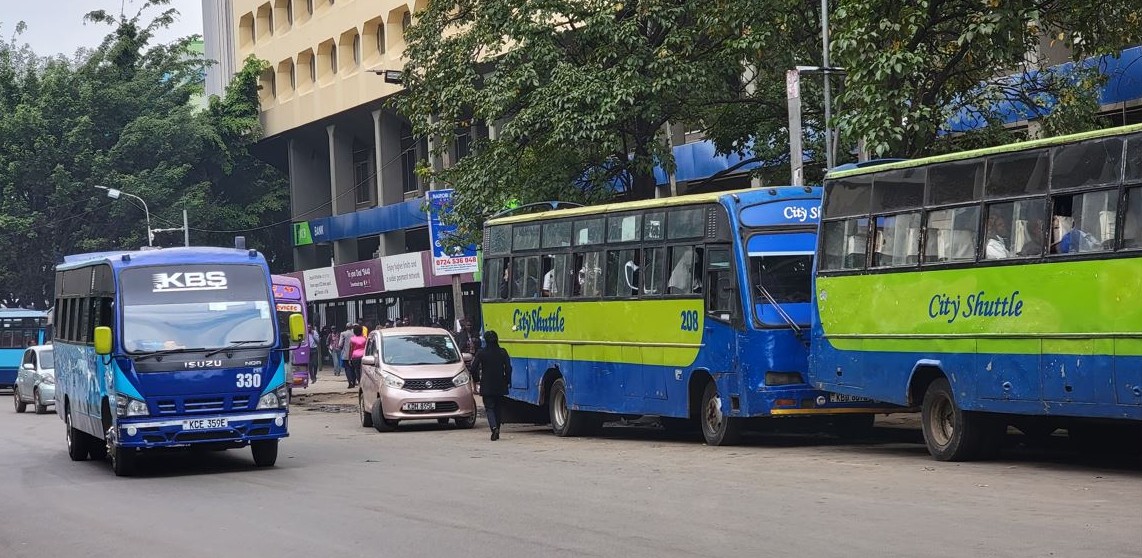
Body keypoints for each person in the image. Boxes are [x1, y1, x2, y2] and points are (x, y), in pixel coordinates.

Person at [469, 330, 511, 441]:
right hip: (500, 384)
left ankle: (493, 428)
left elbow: (473, 368)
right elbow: (508, 368)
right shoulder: (502, 352)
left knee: (489, 408)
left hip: (487, 384)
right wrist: (507, 380)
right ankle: (497, 428)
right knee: (498, 407)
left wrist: (477, 379)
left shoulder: (481, 353)